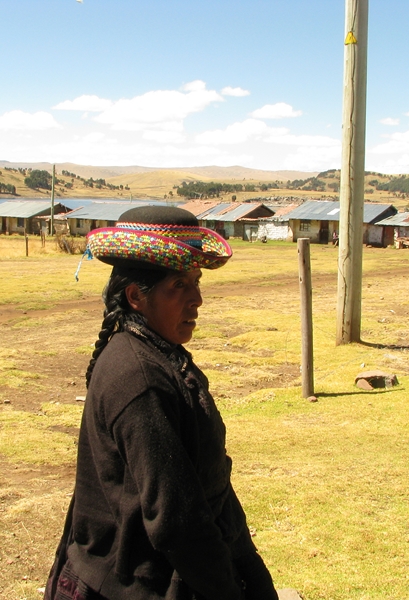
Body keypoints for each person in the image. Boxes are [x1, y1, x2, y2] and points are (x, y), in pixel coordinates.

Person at [45, 206, 277, 600]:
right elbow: (177, 521)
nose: (197, 299)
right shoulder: (140, 378)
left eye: (196, 282)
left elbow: (210, 488)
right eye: (179, 285)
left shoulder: (162, 358)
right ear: (136, 296)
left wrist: (252, 572)